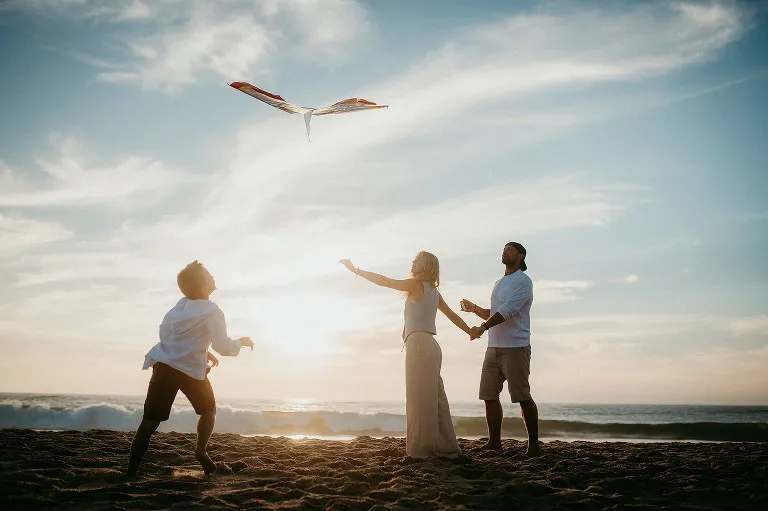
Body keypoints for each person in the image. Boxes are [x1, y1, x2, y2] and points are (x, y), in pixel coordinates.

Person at [340, 252, 476, 458]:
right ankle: (446, 447)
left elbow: (384, 281)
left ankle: (420, 451)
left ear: (427, 265)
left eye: (418, 259)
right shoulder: (434, 292)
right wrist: (471, 332)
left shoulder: (416, 285)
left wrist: (355, 270)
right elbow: (453, 316)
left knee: (418, 399)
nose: (413, 262)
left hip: (420, 346)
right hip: (431, 346)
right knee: (436, 398)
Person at [127, 260, 254, 476]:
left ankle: (130, 471)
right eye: (209, 274)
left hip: (165, 366)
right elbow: (223, 346)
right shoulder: (213, 311)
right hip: (191, 372)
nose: (213, 275)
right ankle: (200, 450)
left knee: (149, 422)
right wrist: (241, 342)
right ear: (205, 286)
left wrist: (203, 351)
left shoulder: (179, 307)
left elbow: (170, 335)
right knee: (208, 410)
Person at [461, 242, 540, 457]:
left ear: (521, 256)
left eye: (510, 250)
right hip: (493, 347)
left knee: (522, 396)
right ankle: (494, 442)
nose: (505, 252)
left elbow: (508, 311)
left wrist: (483, 328)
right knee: (489, 395)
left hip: (516, 346)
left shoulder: (523, 282)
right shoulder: (499, 283)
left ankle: (534, 446)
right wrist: (475, 309)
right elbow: (494, 312)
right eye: (503, 250)